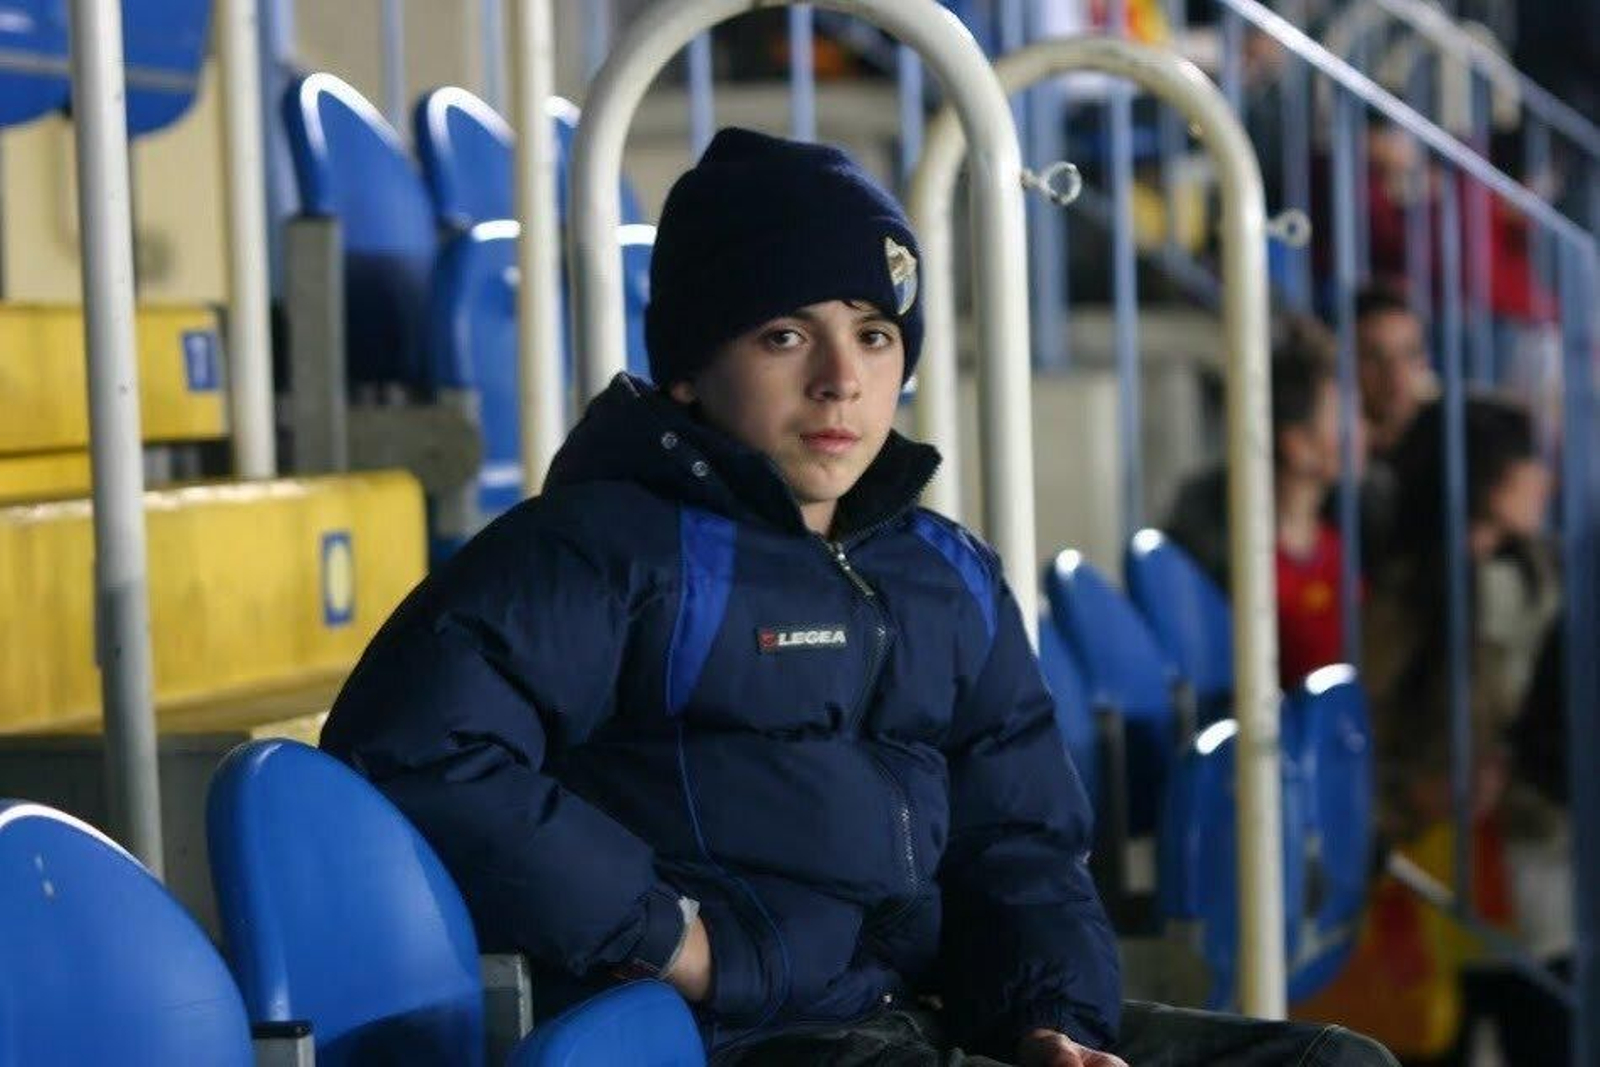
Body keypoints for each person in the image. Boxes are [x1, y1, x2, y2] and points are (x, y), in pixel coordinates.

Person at [321, 129, 1395, 1066]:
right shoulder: (604, 547)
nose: (841, 378)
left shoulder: (946, 572)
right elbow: (411, 745)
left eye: (873, 334)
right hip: (754, 1035)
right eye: (785, 335)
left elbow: (1016, 840)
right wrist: (669, 935)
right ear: (691, 370)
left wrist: (1048, 1022)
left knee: (1338, 1058)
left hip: (924, 1017)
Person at [1164, 317, 1355, 687]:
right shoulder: (1227, 560)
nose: (1360, 432)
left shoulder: (1356, 531)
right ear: (1297, 445)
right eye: (1343, 419)